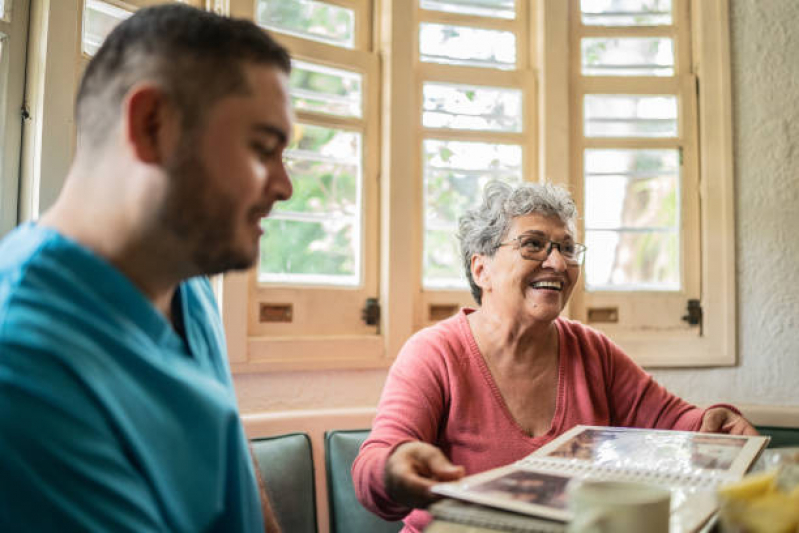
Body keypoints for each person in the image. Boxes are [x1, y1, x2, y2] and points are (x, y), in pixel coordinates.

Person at [0, 5, 293, 532]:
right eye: (262, 148)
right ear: (153, 125)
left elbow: (228, 461)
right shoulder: (20, 361)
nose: (284, 186)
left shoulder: (188, 281)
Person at [352, 181, 756, 533]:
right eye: (533, 244)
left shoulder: (592, 350)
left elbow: (673, 423)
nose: (558, 262)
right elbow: (374, 466)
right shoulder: (435, 353)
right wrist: (394, 465)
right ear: (481, 270)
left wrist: (712, 424)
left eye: (566, 247)